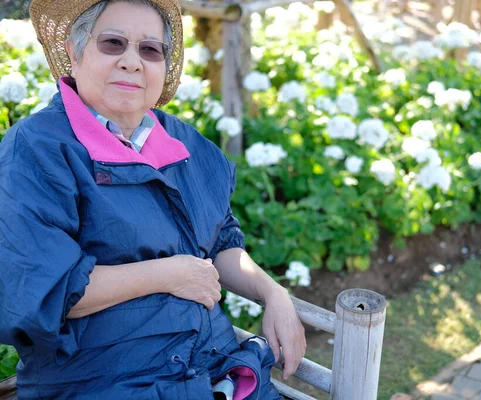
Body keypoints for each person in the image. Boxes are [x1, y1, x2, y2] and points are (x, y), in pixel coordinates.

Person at [0, 0, 306, 398]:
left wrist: (273, 293)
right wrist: (169, 273)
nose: (132, 61)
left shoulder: (182, 142)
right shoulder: (38, 147)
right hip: (105, 382)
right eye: (113, 43)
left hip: (213, 368)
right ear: (75, 54)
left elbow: (222, 242)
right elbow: (44, 286)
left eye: (149, 49)